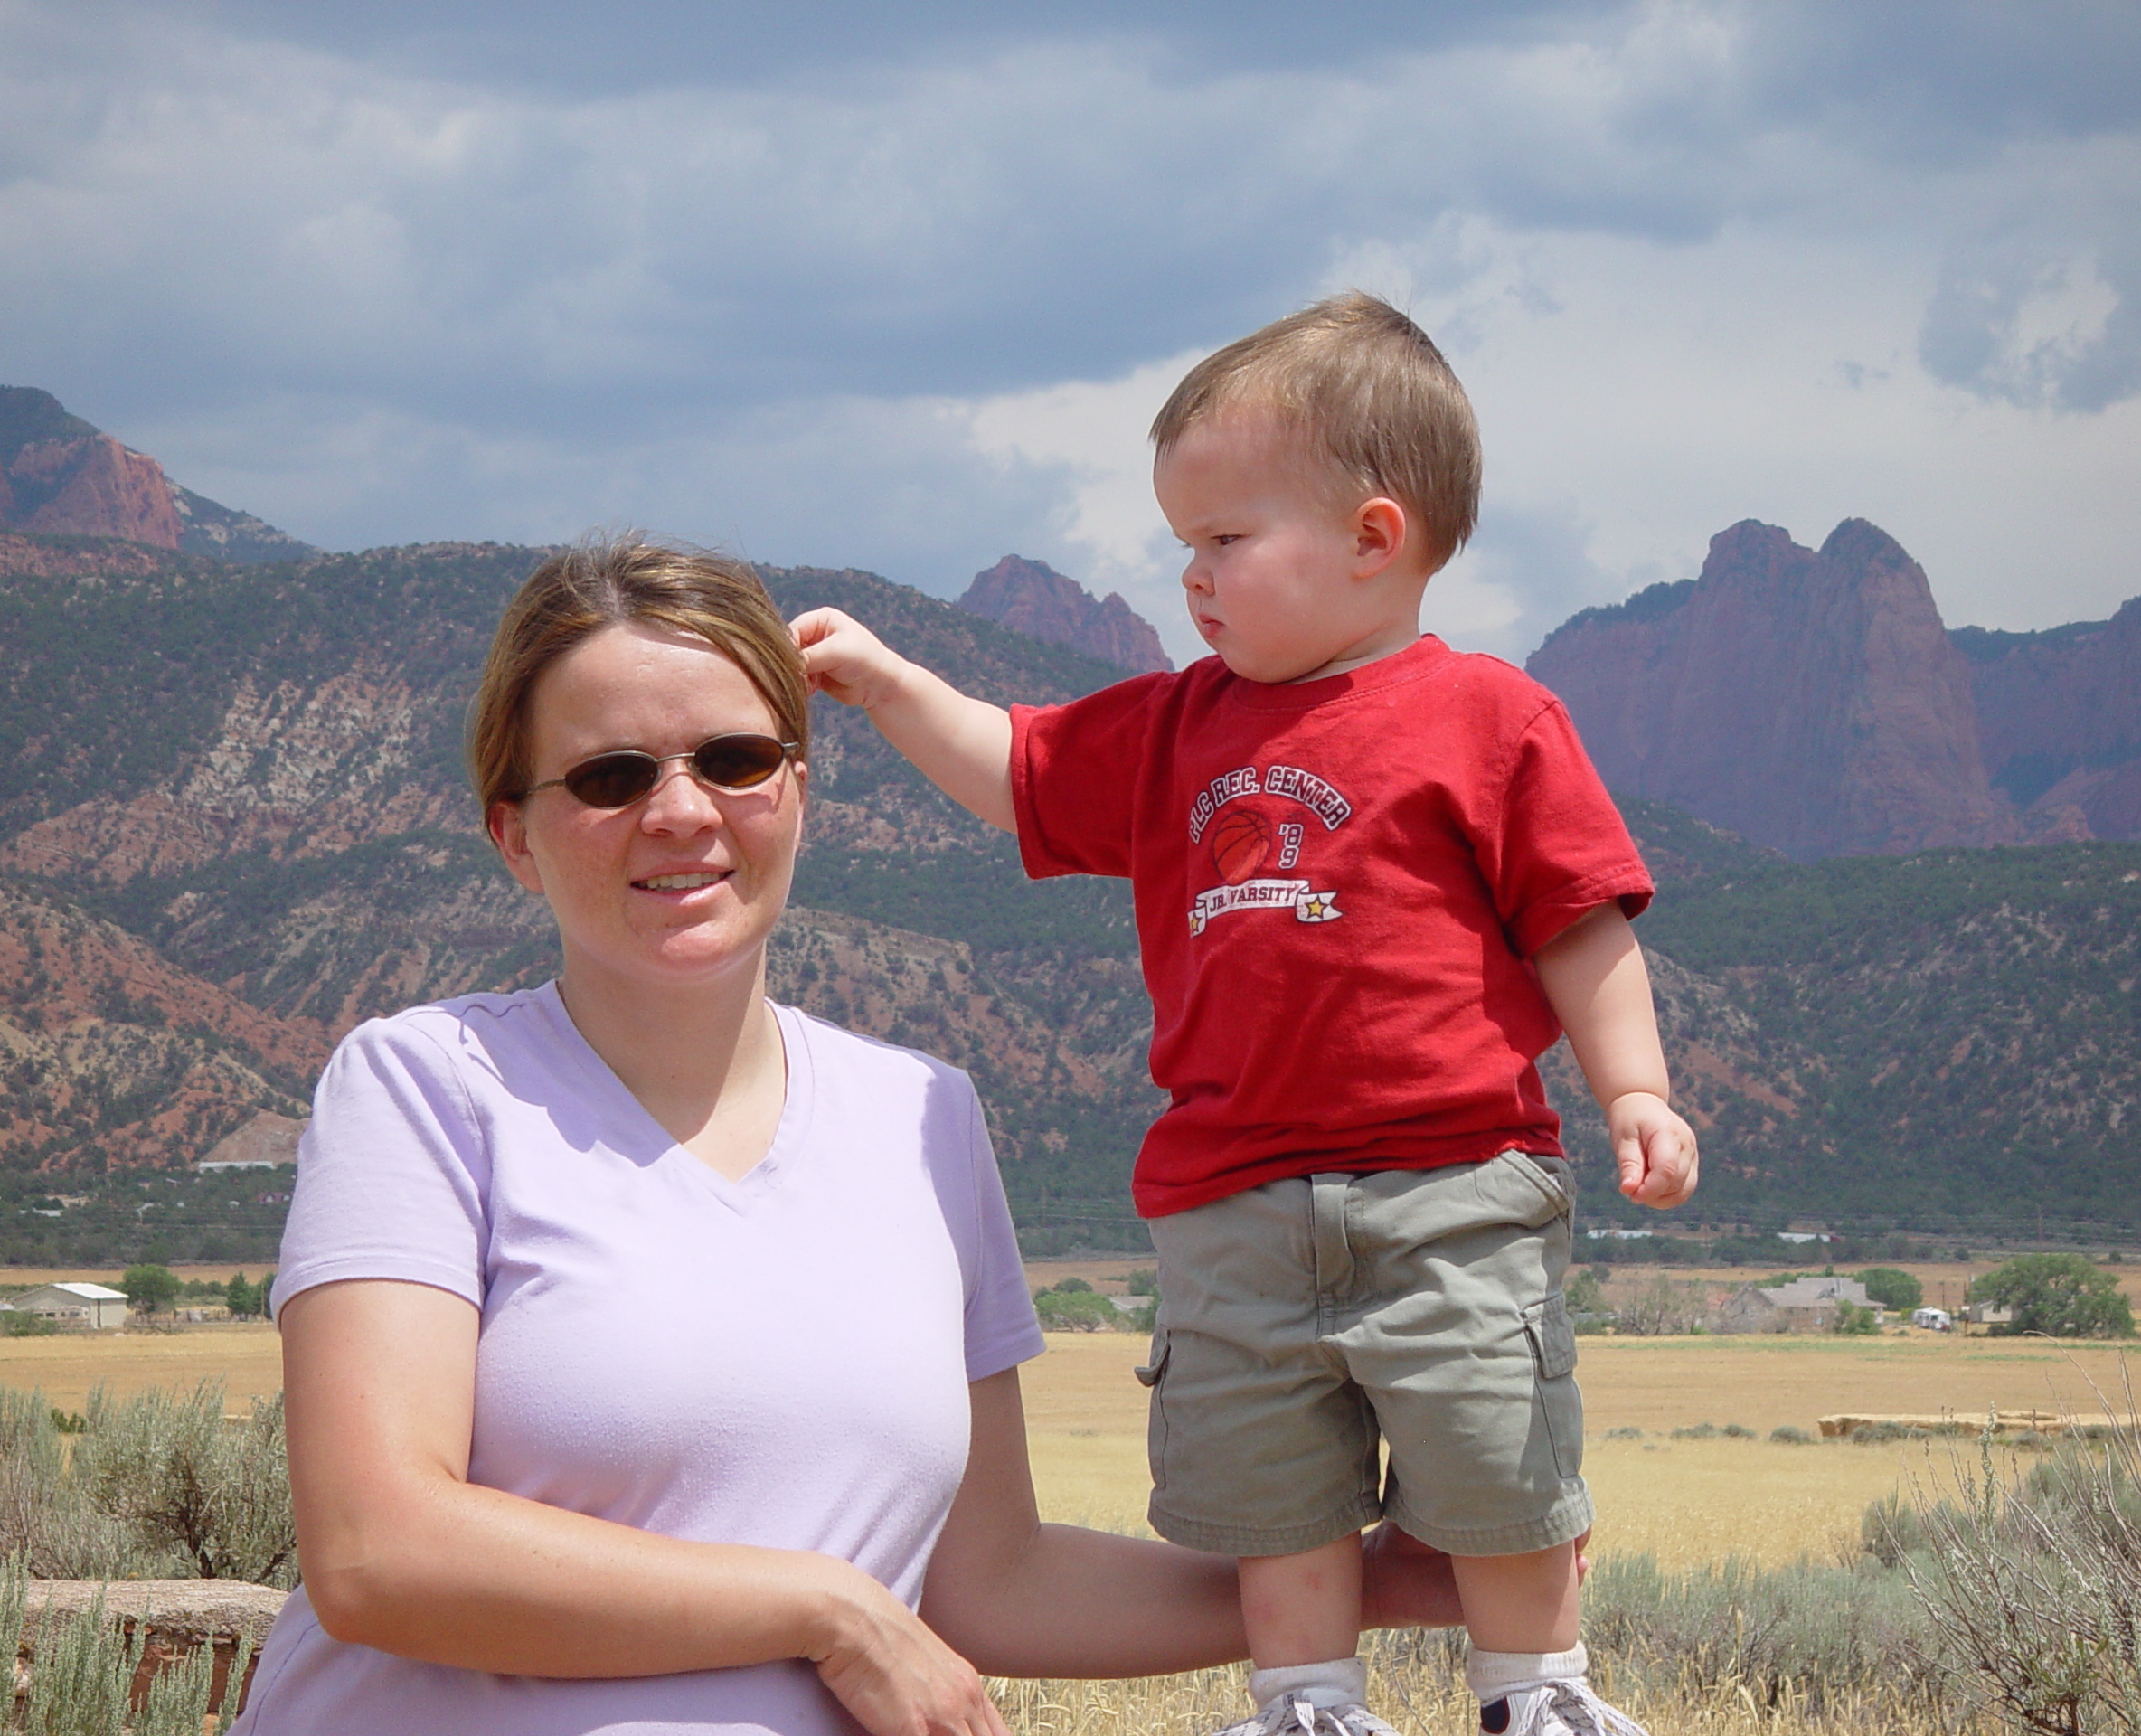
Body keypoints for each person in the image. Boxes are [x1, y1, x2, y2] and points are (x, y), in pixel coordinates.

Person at [236, 536, 1472, 1736]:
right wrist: (834, 1613)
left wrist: (1391, 1581)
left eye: (733, 759)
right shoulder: (428, 1088)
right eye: (611, 777)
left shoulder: (924, 1116)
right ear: (514, 835)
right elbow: (377, 1552)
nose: (680, 812)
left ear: (797, 791)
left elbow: (996, 1585)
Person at [795, 293, 1699, 1736]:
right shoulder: (1170, 725)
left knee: (1497, 1448)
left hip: (1454, 1178)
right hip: (1229, 1197)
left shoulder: (1491, 718)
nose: (1191, 579)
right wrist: (896, 686)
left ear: (1372, 537)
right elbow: (1016, 771)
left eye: (1224, 541)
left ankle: (1537, 1691)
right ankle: (1305, 1701)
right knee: (1273, 1480)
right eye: (1183, 548)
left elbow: (1579, 924)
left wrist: (1635, 1091)